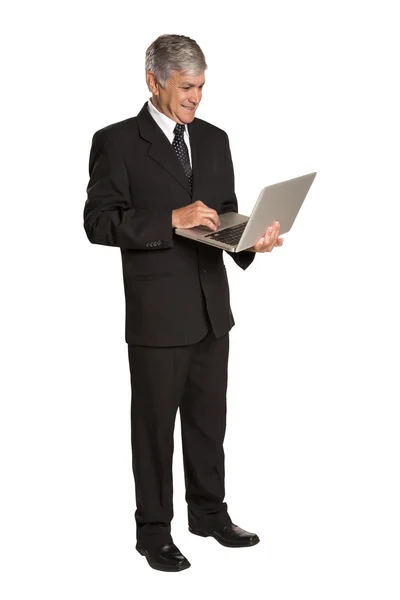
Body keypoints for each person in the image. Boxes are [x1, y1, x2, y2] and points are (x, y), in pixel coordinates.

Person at [83, 33, 283, 573]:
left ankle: (209, 515)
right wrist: (169, 220)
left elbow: (223, 213)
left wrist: (252, 242)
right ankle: (153, 532)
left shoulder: (215, 140)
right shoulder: (118, 142)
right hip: (156, 314)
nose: (197, 98)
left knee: (206, 422)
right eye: (186, 87)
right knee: (153, 428)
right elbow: (98, 222)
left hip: (211, 310)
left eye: (202, 87)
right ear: (154, 82)